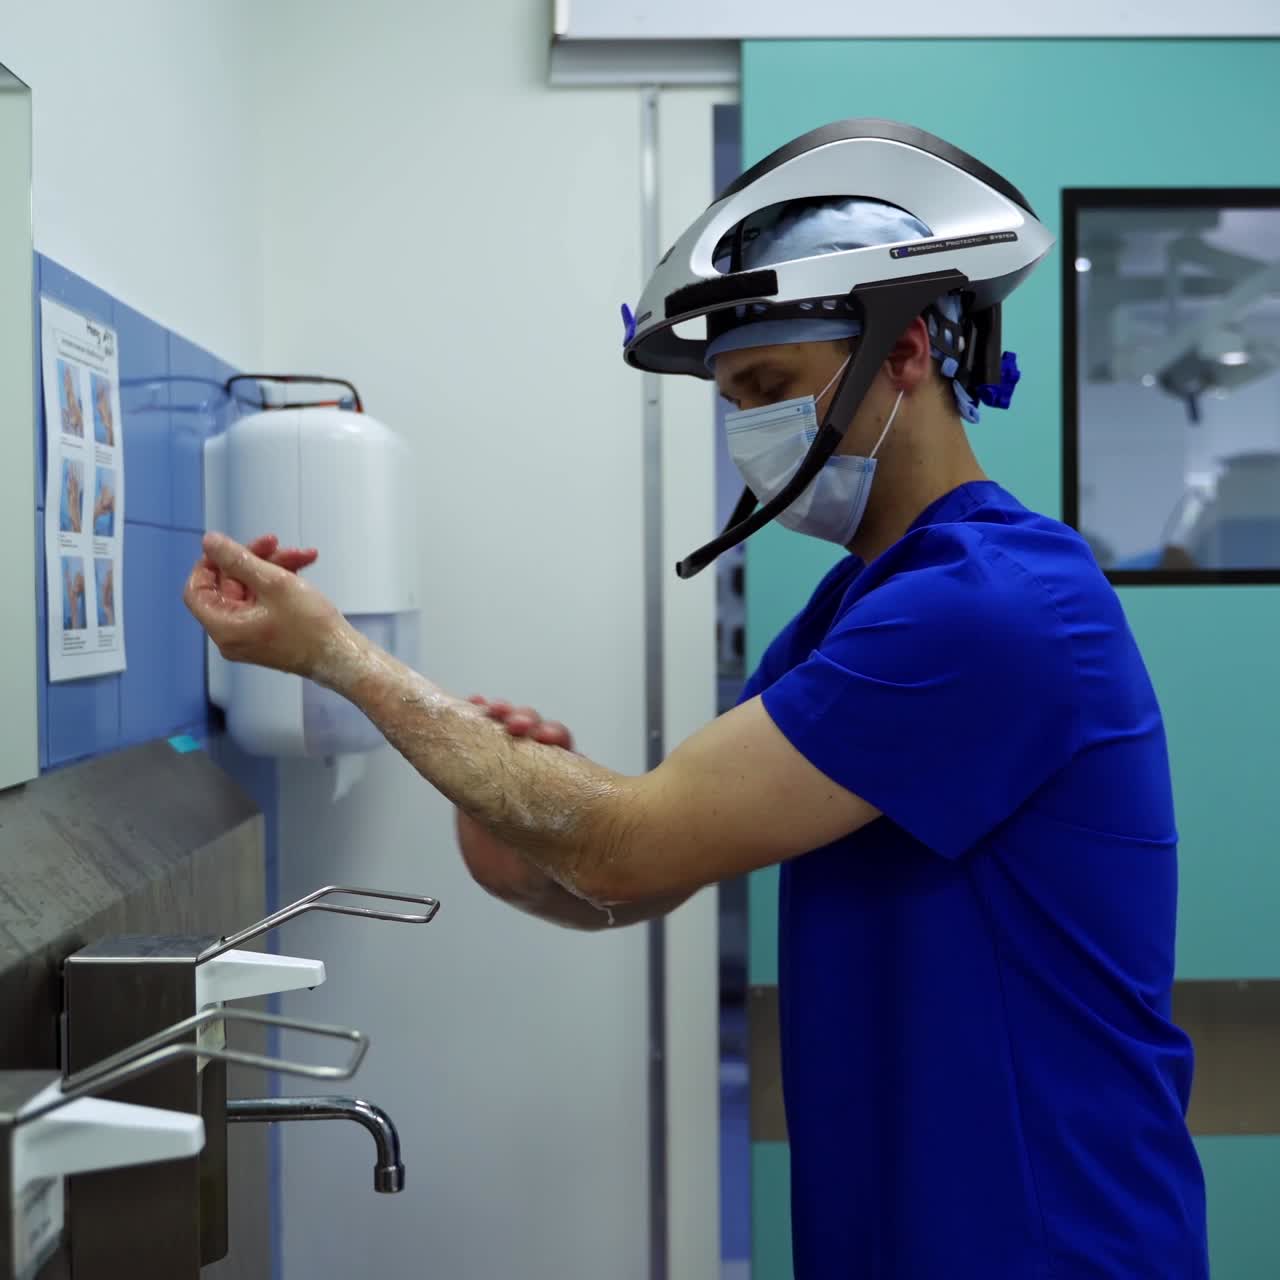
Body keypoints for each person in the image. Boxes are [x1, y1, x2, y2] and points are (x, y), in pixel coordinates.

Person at [184, 120, 1209, 1278]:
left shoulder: (994, 610)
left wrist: (340, 655)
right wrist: (516, 834)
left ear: (908, 350)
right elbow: (634, 874)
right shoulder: (858, 609)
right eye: (729, 397)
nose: (745, 433)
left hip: (1043, 1240)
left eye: (770, 384)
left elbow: (622, 846)